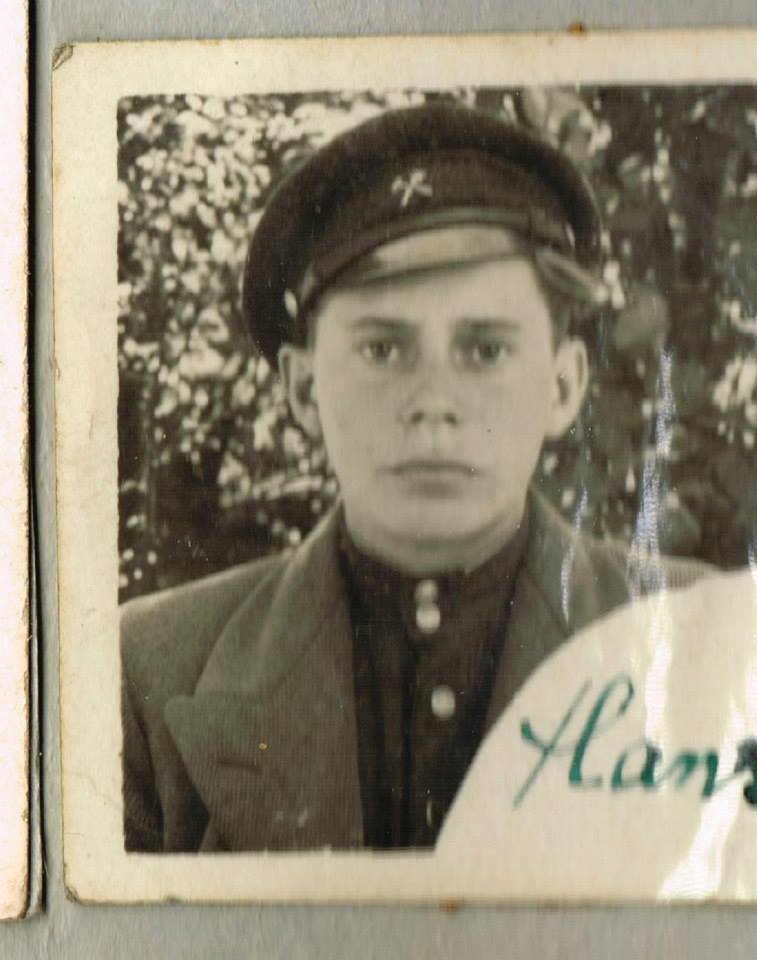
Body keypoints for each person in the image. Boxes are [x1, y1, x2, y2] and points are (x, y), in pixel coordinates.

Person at [121, 101, 706, 853]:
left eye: (485, 350)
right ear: (303, 389)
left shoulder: (703, 642)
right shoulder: (151, 670)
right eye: (383, 349)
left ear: (562, 386)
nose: (433, 402)